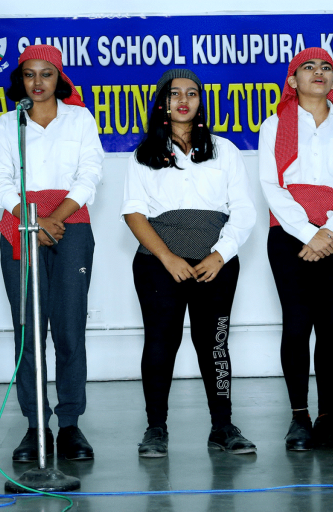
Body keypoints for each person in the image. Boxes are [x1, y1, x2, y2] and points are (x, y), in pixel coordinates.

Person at [122, 69, 258, 457]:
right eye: (174, 93)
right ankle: (155, 429)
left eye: (192, 93)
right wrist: (167, 257)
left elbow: (244, 210)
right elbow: (133, 213)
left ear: (200, 102)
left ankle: (223, 426)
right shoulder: (144, 153)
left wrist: (220, 254)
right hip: (158, 264)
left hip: (215, 264)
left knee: (213, 344)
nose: (184, 99)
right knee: (161, 343)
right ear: (162, 102)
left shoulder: (224, 149)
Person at [0, 45, 103, 462]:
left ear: (59, 79)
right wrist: (30, 216)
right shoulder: (7, 124)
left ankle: (70, 425)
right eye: (30, 75)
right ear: (21, 80)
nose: (38, 83)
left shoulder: (80, 119)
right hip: (21, 225)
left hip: (71, 225)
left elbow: (90, 173)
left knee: (69, 329)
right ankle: (36, 425)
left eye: (46, 74)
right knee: (29, 332)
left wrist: (55, 218)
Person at [257, 48, 333, 451]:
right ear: (293, 81)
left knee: (331, 326)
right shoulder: (275, 125)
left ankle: (328, 417)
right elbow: (272, 186)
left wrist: (329, 231)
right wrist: (308, 232)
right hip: (290, 235)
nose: (318, 73)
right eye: (308, 67)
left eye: (326, 67)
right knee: (297, 323)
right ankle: (299, 418)